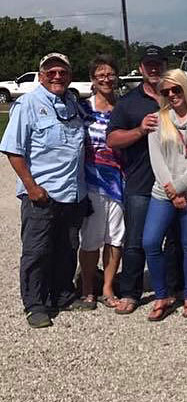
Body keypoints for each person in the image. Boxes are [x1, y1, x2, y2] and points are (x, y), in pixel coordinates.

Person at [1, 53, 88, 328]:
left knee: (68, 247)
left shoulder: (73, 104)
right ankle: (35, 304)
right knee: (37, 251)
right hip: (42, 194)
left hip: (73, 192)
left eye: (62, 72)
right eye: (51, 72)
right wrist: (31, 186)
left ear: (70, 76)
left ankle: (63, 294)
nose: (57, 76)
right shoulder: (27, 104)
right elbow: (13, 150)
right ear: (41, 76)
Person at [107, 46, 182, 315]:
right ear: (140, 68)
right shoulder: (128, 102)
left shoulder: (176, 97)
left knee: (174, 239)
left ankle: (174, 288)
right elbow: (112, 139)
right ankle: (130, 291)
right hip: (141, 181)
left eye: (158, 64)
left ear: (165, 65)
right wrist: (139, 130)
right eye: (148, 65)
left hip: (174, 181)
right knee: (136, 240)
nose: (153, 69)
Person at [142, 69, 187, 321]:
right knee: (150, 242)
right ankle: (162, 295)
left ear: (185, 88)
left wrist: (181, 185)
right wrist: (171, 189)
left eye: (176, 89)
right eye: (166, 91)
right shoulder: (158, 120)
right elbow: (156, 158)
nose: (171, 95)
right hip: (163, 191)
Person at [77, 55, 125, 309]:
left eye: (110, 74)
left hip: (120, 182)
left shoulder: (124, 108)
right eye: (100, 75)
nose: (106, 79)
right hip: (91, 181)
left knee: (115, 237)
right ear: (93, 79)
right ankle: (87, 288)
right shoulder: (83, 108)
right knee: (91, 238)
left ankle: (108, 287)